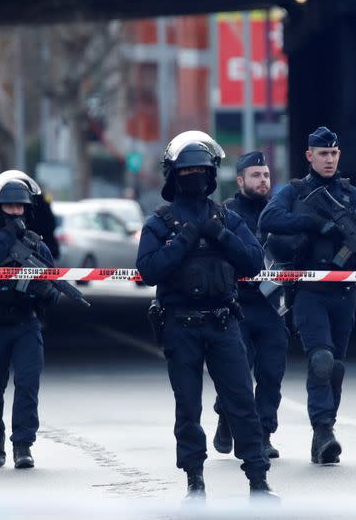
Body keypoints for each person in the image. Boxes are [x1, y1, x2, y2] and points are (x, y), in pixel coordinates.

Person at [135, 131, 276, 499]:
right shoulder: (160, 222)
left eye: (201, 169)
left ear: (212, 174)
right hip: (181, 325)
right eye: (187, 170)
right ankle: (195, 482)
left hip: (224, 322)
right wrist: (183, 241)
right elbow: (147, 270)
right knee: (188, 408)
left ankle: (259, 482)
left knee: (242, 404)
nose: (195, 176)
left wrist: (220, 235)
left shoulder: (225, 218)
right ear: (173, 175)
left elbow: (254, 262)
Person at [259, 126, 356, 464]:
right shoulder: (295, 192)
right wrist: (313, 223)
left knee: (336, 367)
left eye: (333, 153)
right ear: (309, 156)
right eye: (322, 154)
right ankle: (324, 428)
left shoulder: (351, 196)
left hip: (344, 292)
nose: (329, 159)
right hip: (310, 291)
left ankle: (322, 433)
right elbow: (269, 219)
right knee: (322, 360)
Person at [0, 171, 61, 469]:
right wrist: (10, 233)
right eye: (9, 207)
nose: (16, 212)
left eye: (20, 207)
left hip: (25, 323)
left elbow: (55, 289)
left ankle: (23, 444)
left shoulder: (37, 245)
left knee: (27, 383)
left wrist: (42, 287)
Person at [212, 151, 289, 460]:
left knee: (271, 374)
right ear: (241, 180)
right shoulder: (225, 213)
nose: (263, 181)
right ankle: (225, 417)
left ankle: (264, 434)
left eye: (267, 175)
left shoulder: (278, 212)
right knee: (236, 373)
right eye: (256, 175)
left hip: (273, 307)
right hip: (237, 305)